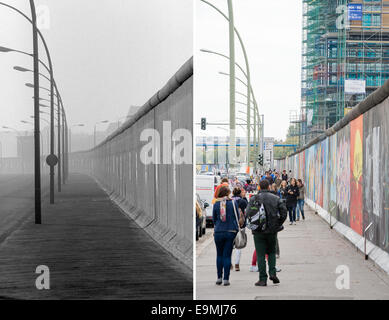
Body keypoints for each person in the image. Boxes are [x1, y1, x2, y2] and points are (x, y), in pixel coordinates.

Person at [246, 179, 287, 286]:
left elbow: (248, 213)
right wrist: (278, 223)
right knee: (272, 252)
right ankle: (272, 273)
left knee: (260, 255)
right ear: (269, 187)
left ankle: (262, 279)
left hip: (258, 230)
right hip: (272, 230)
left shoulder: (254, 198)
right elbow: (284, 212)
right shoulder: (276, 198)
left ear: (259, 187)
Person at [212, 186, 244, 286]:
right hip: (230, 231)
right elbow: (237, 217)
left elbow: (214, 219)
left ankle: (219, 277)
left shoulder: (216, 204)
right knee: (227, 255)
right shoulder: (233, 203)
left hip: (218, 232)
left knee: (219, 255)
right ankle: (226, 279)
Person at [231, 187, 248, 272]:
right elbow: (247, 208)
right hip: (241, 225)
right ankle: (237, 264)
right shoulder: (242, 201)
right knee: (239, 245)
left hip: (231, 226)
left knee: (230, 245)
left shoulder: (230, 201)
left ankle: (229, 263)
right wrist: (244, 197)